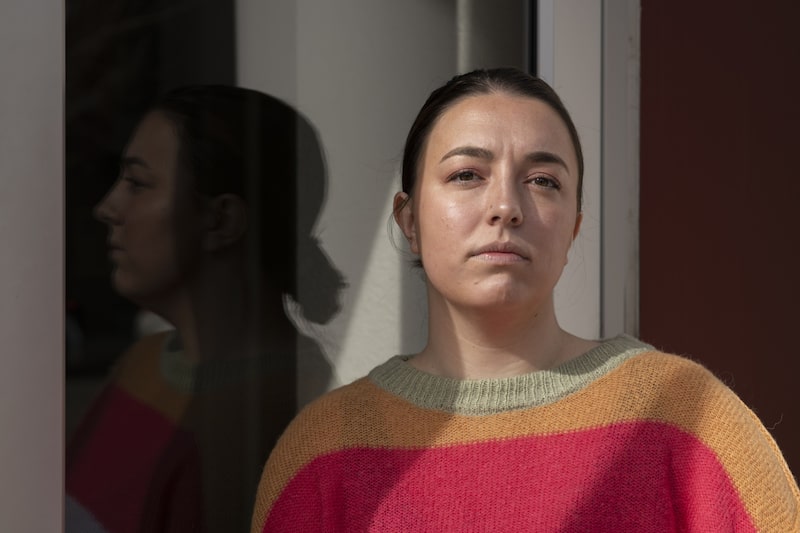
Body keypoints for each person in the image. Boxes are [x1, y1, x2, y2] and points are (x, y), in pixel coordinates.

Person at [250, 68, 799, 532]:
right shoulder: (324, 453)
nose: (506, 206)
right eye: (467, 174)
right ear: (409, 220)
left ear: (574, 228)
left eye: (542, 181)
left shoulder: (685, 419)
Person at [66, 85, 345, 533]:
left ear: (221, 221)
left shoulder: (265, 421)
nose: (107, 208)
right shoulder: (143, 365)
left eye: (137, 184)